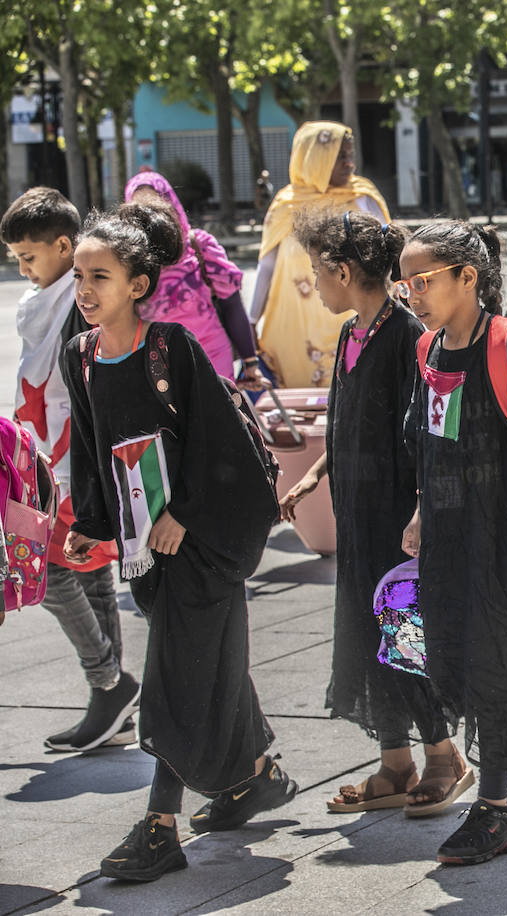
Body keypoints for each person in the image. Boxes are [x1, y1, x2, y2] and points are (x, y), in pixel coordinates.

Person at [62, 202, 295, 882]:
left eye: (99, 276)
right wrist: (91, 524)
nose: (84, 290)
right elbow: (90, 447)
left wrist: (186, 513)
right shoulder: (80, 356)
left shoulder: (172, 349)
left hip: (202, 542)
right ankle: (256, 775)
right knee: (204, 662)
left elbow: (222, 447)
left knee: (171, 680)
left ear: (138, 283)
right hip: (142, 548)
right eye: (79, 275)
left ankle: (159, 828)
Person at [279, 210, 470, 817]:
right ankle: (395, 760)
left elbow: (424, 435)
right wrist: (313, 474)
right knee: (369, 635)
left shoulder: (405, 334)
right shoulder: (351, 334)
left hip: (397, 518)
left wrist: (419, 510)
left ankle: (445, 757)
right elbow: (345, 420)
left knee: (404, 633)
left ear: (341, 270)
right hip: (357, 513)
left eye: (316, 272)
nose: (315, 284)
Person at [397, 222, 507, 865]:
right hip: (445, 539)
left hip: (502, 541)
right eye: (406, 281)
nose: (413, 292)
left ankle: (494, 813)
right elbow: (430, 446)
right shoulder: (428, 349)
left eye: (424, 280)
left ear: (468, 277)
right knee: (453, 662)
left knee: (498, 665)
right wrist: (418, 514)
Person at [3, 187, 138, 753]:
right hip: (60, 461)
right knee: (84, 571)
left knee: (50, 573)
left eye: (29, 258)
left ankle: (109, 682)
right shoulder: (50, 303)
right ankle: (113, 706)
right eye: (16, 261)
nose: (23, 269)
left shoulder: (77, 301)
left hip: (70, 463)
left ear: (63, 245)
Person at [252, 121, 391, 388]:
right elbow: (267, 266)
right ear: (314, 158)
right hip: (294, 330)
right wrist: (250, 321)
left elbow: (386, 260)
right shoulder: (285, 206)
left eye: (350, 155)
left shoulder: (363, 197)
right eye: (340, 157)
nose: (350, 164)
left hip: (355, 321)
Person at [124, 171, 266, 389]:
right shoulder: (125, 259)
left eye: (155, 203)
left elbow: (232, 306)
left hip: (212, 361)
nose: (149, 214)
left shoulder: (200, 246)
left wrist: (250, 362)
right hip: (154, 369)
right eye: (141, 206)